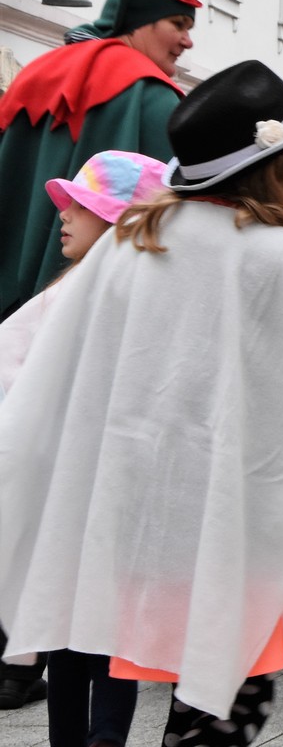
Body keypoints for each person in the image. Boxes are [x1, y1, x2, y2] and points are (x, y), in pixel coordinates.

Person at [0, 60, 283, 733]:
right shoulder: (271, 255)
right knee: (221, 686)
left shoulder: (131, 240)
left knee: (100, 657)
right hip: (222, 519)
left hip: (125, 514)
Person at [0, 151, 166, 744]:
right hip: (84, 502)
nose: (63, 217)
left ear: (121, 222)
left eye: (81, 207)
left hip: (92, 501)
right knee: (85, 636)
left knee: (88, 635)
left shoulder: (91, 297)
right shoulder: (77, 295)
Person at [0, 0, 207, 322]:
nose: (187, 40)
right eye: (177, 23)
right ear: (142, 17)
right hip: (79, 319)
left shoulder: (38, 72)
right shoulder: (155, 99)